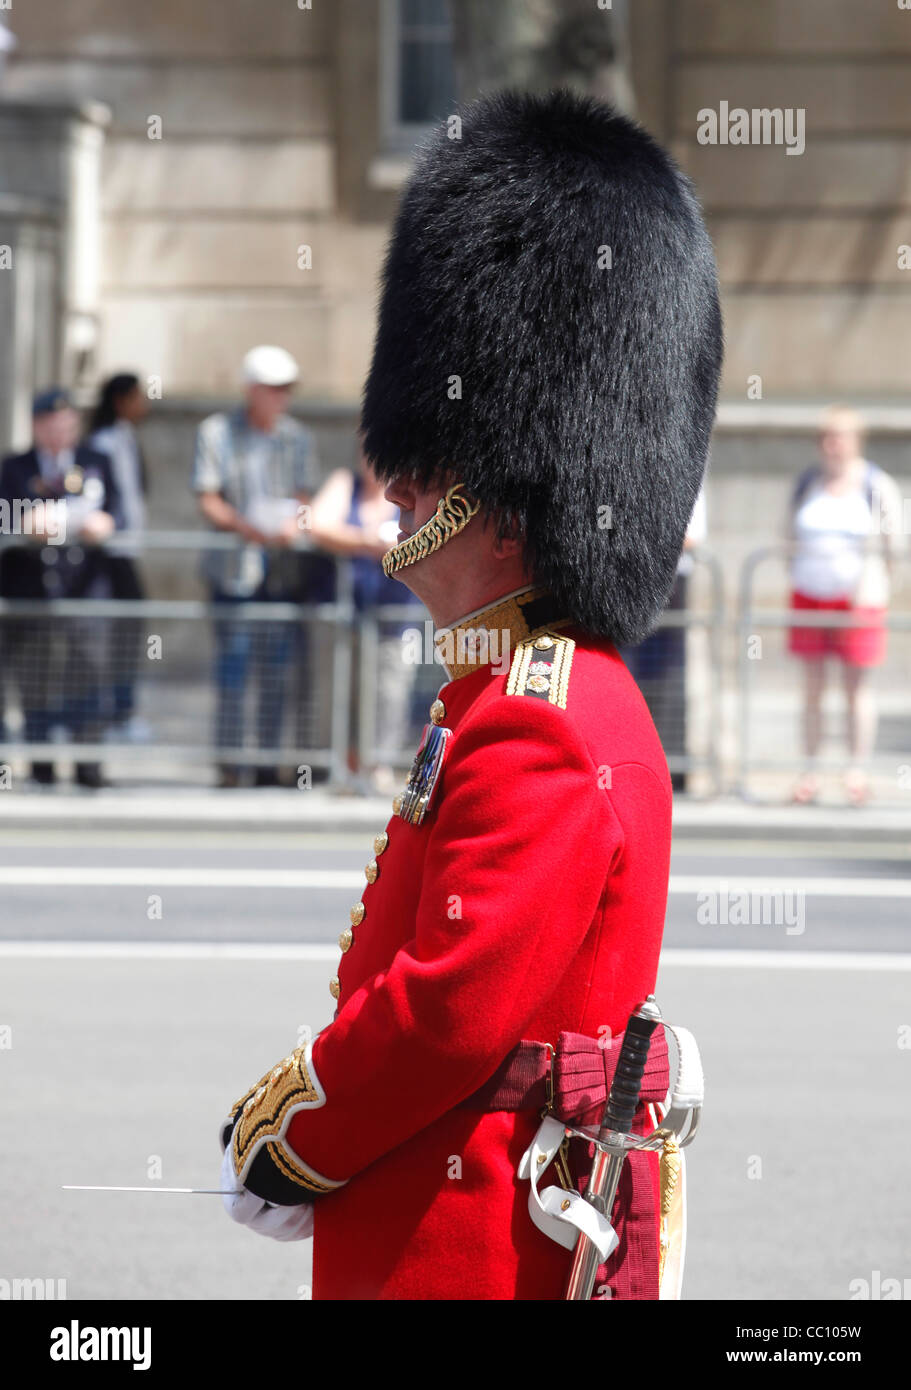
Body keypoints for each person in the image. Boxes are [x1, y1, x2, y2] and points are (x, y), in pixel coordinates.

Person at [218, 90, 722, 1300]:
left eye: (424, 465)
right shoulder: (516, 698)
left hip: (462, 1239)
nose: (392, 486)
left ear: (503, 500)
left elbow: (448, 1015)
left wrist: (293, 1134)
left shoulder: (540, 723)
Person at [192, 346, 317, 788]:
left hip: (280, 570)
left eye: (286, 389)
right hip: (233, 570)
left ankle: (267, 763)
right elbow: (208, 497)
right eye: (274, 388)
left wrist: (287, 523)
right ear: (252, 389)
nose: (281, 397)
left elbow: (304, 495)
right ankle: (230, 764)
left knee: (276, 670)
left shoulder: (297, 437)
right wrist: (246, 526)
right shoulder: (217, 432)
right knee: (233, 666)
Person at [0, 389, 119, 787]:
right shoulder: (14, 468)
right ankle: (42, 766)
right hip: (32, 587)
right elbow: (10, 517)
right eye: (51, 423)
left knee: (87, 672)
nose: (60, 430)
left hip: (84, 587)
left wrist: (103, 525)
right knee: (36, 677)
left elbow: (118, 512)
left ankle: (89, 766)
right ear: (36, 425)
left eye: (67, 423)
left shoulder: (95, 463)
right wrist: (28, 525)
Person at [787, 405, 905, 807]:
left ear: (855, 441)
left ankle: (856, 772)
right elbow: (786, 536)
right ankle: (810, 772)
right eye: (825, 437)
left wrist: (877, 588)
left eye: (838, 437)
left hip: (858, 600)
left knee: (856, 690)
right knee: (812, 689)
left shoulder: (875, 484)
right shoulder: (808, 482)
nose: (831, 445)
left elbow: (895, 547)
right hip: (809, 595)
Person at [308, 443, 423, 792]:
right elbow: (316, 524)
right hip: (344, 614)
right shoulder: (346, 484)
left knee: (390, 691)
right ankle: (337, 764)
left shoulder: (413, 490)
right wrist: (366, 542)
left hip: (397, 614)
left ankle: (378, 765)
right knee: (337, 687)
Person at [621, 486, 707, 794]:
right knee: (631, 681)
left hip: (671, 588)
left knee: (668, 683)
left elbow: (691, 537)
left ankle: (672, 770)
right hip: (633, 583)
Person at [87, 372, 150, 740]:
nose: (144, 404)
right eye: (138, 397)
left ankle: (122, 710)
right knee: (116, 632)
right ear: (121, 400)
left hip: (127, 549)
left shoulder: (127, 438)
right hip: (110, 553)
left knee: (129, 630)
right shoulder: (103, 443)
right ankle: (112, 713)